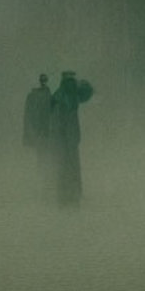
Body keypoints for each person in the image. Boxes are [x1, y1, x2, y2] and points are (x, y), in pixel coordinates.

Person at [51, 71, 94, 207]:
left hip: (64, 137)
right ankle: (71, 195)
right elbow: (87, 92)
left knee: (64, 166)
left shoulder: (59, 95)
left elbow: (87, 92)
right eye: (70, 82)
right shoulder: (70, 96)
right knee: (71, 166)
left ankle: (65, 196)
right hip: (68, 137)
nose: (71, 84)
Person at [24, 73, 55, 185]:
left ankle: (43, 181)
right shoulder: (47, 95)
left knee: (42, 156)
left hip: (40, 132)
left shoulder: (32, 96)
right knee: (45, 156)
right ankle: (45, 181)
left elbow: (28, 116)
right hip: (46, 131)